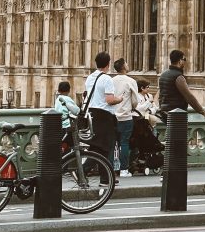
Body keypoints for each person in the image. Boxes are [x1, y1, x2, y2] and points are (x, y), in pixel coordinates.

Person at [84, 51, 123, 185]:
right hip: (104, 115)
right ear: (108, 64)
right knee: (103, 147)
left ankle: (106, 178)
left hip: (92, 113)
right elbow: (109, 100)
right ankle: (83, 170)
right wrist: (120, 99)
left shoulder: (90, 77)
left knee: (101, 146)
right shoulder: (107, 79)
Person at [158, 49, 205, 121]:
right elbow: (189, 97)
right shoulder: (178, 77)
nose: (185, 62)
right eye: (184, 59)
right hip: (176, 114)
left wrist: (162, 109)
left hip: (165, 113)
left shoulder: (163, 75)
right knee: (180, 129)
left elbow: (160, 96)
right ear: (180, 61)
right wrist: (202, 111)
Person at [112, 59, 140, 178]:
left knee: (113, 144)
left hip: (113, 116)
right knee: (124, 143)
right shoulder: (131, 81)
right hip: (125, 116)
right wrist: (131, 107)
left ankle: (112, 169)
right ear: (123, 67)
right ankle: (123, 169)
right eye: (127, 64)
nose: (128, 65)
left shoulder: (111, 80)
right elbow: (135, 101)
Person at [53, 80, 80, 150]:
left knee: (63, 145)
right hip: (67, 126)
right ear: (69, 90)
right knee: (72, 145)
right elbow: (76, 111)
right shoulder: (67, 99)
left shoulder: (57, 99)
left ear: (59, 90)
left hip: (59, 125)